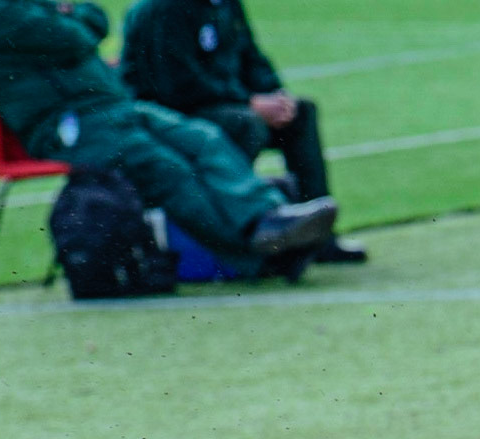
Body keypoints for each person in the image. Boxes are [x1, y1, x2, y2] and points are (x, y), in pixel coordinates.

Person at [0, 0, 336, 269]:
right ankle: (251, 247)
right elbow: (74, 36)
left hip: (114, 108)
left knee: (201, 138)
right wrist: (70, 13)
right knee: (163, 166)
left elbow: (95, 18)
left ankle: (267, 216)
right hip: (66, 124)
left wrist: (71, 12)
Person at [120, 0, 365, 263]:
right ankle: (244, 230)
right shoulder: (164, 9)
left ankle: (320, 237)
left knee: (301, 114)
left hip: (220, 103)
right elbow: (176, 84)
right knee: (246, 123)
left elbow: (251, 57)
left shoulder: (227, 4)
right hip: (170, 115)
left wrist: (277, 96)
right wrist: (250, 101)